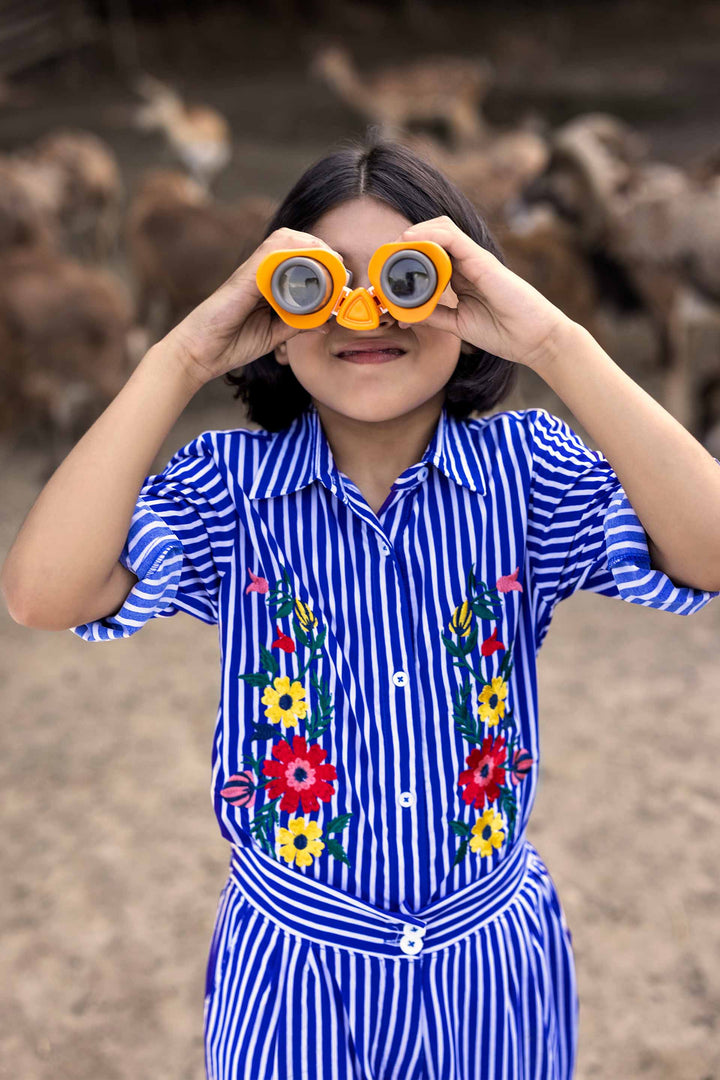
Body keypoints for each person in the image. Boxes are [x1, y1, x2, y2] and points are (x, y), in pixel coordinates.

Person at [3, 133, 720, 1080]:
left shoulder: (529, 473)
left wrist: (554, 341)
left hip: (487, 965)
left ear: (463, 290)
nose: (364, 309)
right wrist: (184, 353)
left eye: (407, 276)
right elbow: (43, 595)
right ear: (273, 301)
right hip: (290, 970)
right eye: (316, 281)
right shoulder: (228, 487)